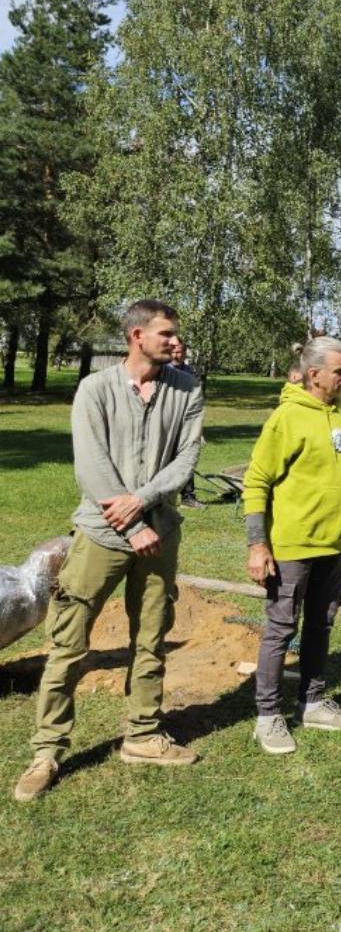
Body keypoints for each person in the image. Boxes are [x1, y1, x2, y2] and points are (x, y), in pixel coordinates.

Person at [13, 300, 204, 802]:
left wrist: (141, 506)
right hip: (100, 535)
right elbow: (90, 466)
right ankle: (47, 751)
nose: (173, 340)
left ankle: (142, 735)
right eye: (164, 333)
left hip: (159, 532)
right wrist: (129, 522)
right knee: (69, 643)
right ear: (136, 335)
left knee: (152, 637)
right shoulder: (94, 389)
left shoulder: (187, 390)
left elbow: (186, 459)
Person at [244, 337, 341, 754]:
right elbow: (256, 481)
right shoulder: (286, 418)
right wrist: (258, 544)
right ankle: (268, 715)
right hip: (293, 545)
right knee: (280, 629)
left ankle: (312, 701)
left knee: (322, 624)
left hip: (334, 544)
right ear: (315, 375)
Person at [172, 337, 202, 509]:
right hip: (166, 422)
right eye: (174, 351)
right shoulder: (160, 370)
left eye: (180, 352)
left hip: (185, 422)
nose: (177, 355)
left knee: (187, 457)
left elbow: (193, 397)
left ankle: (188, 497)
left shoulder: (188, 372)